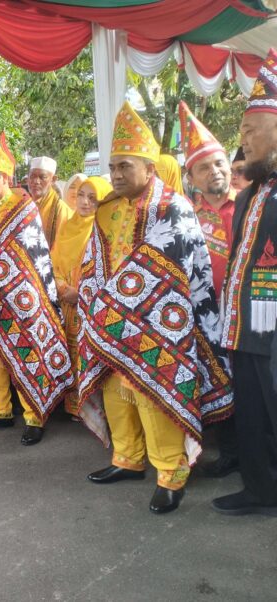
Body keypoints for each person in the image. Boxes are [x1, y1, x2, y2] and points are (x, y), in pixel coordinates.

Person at [78, 101, 233, 514]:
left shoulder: (174, 206)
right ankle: (126, 459)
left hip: (161, 324)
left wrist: (119, 305)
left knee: (153, 391)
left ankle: (171, 474)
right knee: (114, 390)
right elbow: (95, 259)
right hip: (112, 324)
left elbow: (170, 266)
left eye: (125, 166)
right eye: (112, 167)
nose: (115, 175)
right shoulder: (108, 208)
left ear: (148, 167)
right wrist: (96, 303)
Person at [0, 130, 73, 445]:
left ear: (6, 177)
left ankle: (35, 416)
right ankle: (0, 412)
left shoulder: (24, 208)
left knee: (25, 354)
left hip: (19, 299)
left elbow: (34, 261)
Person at [214, 49, 277, 517]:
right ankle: (260, 489)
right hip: (245, 328)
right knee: (253, 414)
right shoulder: (253, 191)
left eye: (251, 131)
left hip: (274, 332)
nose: (244, 141)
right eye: (242, 132)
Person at [177, 101, 240, 478]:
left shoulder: (251, 205)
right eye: (204, 166)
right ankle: (231, 451)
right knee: (218, 380)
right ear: (192, 177)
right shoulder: (185, 215)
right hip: (205, 317)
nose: (214, 171)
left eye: (218, 163)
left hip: (248, 314)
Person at [51, 176, 112, 417]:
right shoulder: (67, 227)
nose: (85, 202)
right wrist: (64, 288)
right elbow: (52, 264)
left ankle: (98, 411)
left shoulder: (105, 230)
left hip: (93, 307)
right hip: (66, 302)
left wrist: (83, 294)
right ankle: (75, 406)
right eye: (81, 196)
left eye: (92, 198)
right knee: (69, 352)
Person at [27, 156, 73, 247]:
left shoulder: (61, 210)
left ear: (53, 180)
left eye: (42, 177)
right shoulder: (25, 205)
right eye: (32, 176)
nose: (36, 181)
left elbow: (65, 247)